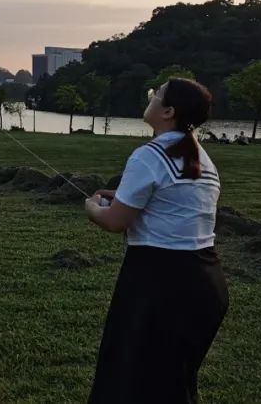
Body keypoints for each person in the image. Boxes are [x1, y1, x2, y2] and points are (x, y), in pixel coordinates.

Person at [84, 78, 227, 404]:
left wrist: (92, 208)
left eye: (156, 94)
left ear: (168, 111)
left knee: (130, 382)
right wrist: (121, 198)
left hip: (160, 283)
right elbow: (173, 205)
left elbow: (114, 222)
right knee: (172, 386)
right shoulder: (202, 158)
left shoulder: (148, 155)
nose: (150, 96)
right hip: (206, 281)